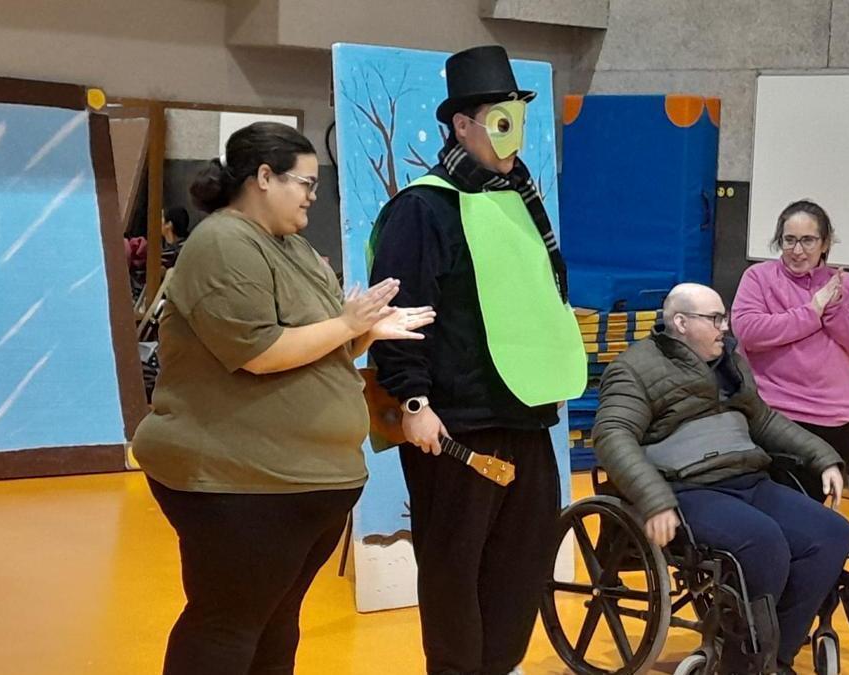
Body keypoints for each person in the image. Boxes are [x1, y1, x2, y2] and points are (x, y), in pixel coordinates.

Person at [132, 122, 435, 675]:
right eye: (306, 183)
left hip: (303, 480)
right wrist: (348, 324)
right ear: (264, 178)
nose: (313, 198)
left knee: (274, 620)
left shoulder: (291, 246)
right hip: (237, 480)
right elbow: (260, 351)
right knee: (228, 623)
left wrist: (367, 330)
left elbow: (320, 340)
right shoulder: (223, 243)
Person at [368, 45, 586, 675]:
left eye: (517, 116)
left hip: (525, 417)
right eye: (499, 118)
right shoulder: (422, 208)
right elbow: (398, 313)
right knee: (454, 572)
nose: (511, 133)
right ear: (463, 125)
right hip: (454, 426)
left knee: (520, 568)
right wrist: (414, 401)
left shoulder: (520, 200)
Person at [594, 283, 849, 675]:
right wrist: (655, 500)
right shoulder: (633, 368)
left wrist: (824, 458)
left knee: (831, 533)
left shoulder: (729, 361)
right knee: (765, 542)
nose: (725, 327)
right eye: (715, 319)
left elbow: (763, 420)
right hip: (688, 488)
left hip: (748, 478)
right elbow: (612, 435)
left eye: (724, 317)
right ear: (680, 323)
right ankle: (744, 660)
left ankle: (775, 655)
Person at [732, 200, 849, 482]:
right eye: (790, 240)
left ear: (825, 244)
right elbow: (749, 331)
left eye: (808, 241)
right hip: (777, 414)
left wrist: (834, 311)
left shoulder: (844, 285)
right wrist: (812, 312)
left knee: (814, 511)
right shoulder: (758, 278)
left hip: (837, 417)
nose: (797, 251)